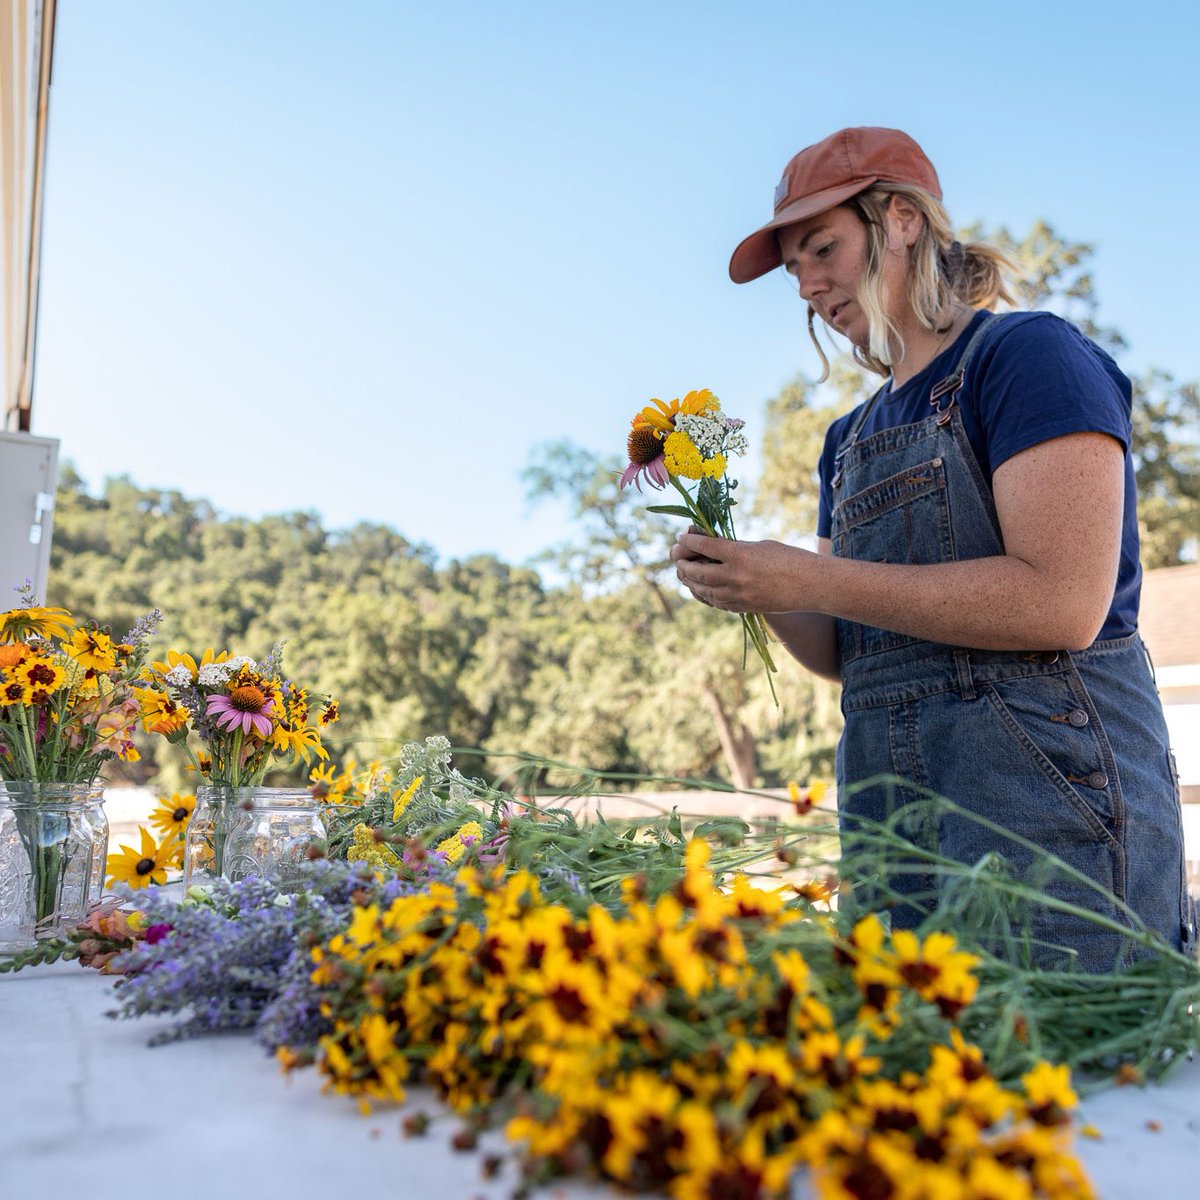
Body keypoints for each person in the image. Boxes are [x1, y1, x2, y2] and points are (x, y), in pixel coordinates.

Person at [670, 126, 1196, 971]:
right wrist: (756, 583)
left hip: (1045, 796)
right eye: (793, 270)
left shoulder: (1028, 356)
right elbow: (853, 652)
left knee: (1073, 1079)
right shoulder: (847, 436)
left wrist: (812, 574)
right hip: (893, 814)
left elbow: (1060, 603)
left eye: (822, 248)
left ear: (903, 220)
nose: (807, 285)